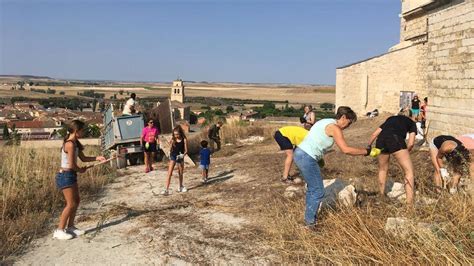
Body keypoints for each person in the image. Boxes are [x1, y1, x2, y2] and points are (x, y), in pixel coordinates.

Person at [294, 106, 371, 227]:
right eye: (349, 123)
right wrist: (366, 152)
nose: (348, 126)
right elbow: (345, 150)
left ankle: (308, 219)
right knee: (318, 191)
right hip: (307, 157)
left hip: (300, 153)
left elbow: (315, 139)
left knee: (312, 189)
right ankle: (309, 224)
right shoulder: (335, 128)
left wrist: (319, 158)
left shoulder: (326, 121)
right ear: (343, 117)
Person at [54, 120, 106, 240]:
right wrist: (80, 170)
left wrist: (97, 158)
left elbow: (83, 158)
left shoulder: (75, 143)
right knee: (70, 204)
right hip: (66, 175)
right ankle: (59, 230)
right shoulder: (70, 144)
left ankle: (70, 227)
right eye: (82, 130)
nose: (84, 132)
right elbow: (72, 165)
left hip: (70, 175)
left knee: (76, 201)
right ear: (76, 131)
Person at [367, 109, 417, 204]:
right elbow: (411, 143)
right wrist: (405, 152)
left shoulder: (390, 118)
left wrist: (369, 146)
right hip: (396, 139)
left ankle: (381, 195)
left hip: (381, 140)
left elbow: (374, 134)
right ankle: (409, 204)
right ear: (410, 116)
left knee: (382, 169)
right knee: (409, 171)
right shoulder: (411, 122)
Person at [162, 125, 188, 195]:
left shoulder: (184, 139)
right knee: (169, 173)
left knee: (180, 173)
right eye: (174, 134)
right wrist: (169, 152)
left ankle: (181, 186)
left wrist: (183, 155)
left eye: (177, 134)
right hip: (173, 156)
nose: (176, 135)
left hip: (180, 157)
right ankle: (166, 189)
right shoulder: (173, 139)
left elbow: (186, 150)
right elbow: (170, 148)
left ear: (180, 133)